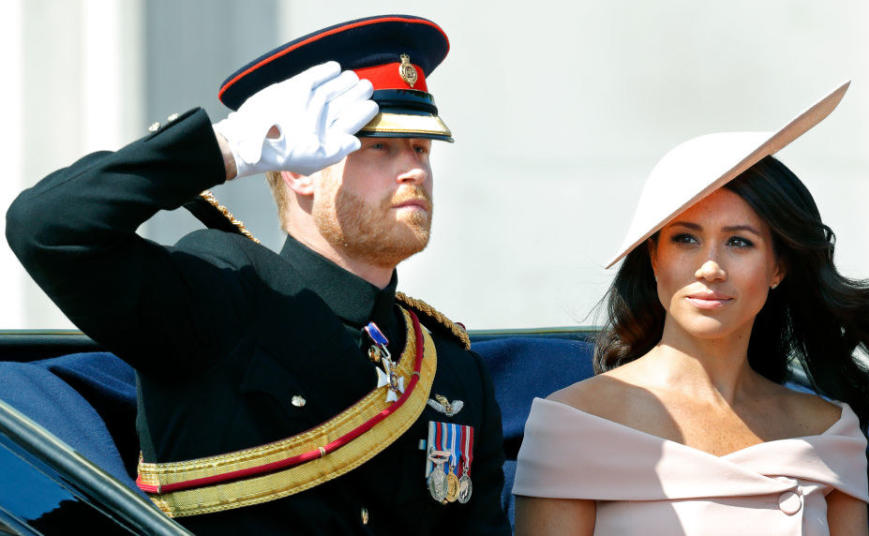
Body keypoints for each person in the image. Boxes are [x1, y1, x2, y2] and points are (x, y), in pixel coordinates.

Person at [6, 14, 510, 535]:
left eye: (422, 149)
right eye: (379, 146)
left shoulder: (450, 371)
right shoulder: (225, 292)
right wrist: (225, 149)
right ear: (300, 170)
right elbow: (45, 228)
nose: (415, 170)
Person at [511, 82, 869, 535]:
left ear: (778, 267)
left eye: (739, 242)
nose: (711, 267)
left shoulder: (830, 431)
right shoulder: (574, 423)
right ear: (654, 258)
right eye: (686, 239)